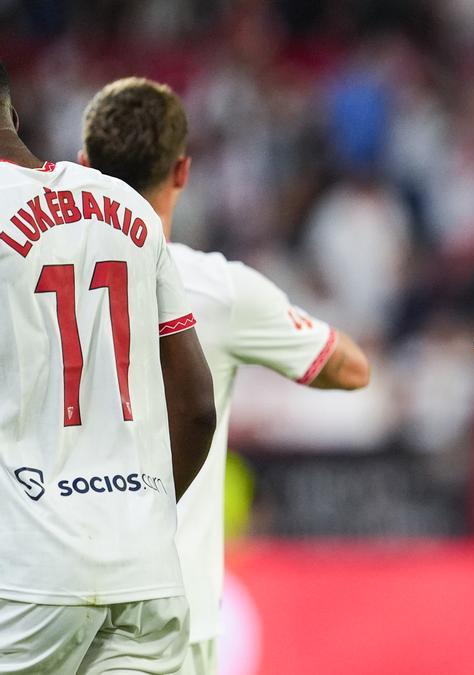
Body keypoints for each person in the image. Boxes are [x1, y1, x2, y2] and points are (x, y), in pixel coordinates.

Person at [80, 77, 371, 675]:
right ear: (182, 172)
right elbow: (350, 369)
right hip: (173, 618)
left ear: (83, 166)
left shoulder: (25, 283)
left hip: (56, 602)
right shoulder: (217, 290)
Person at [0, 63, 215, 673]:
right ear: (13, 114)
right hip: (146, 571)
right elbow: (198, 408)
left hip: (25, 576)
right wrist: (138, 519)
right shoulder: (126, 206)